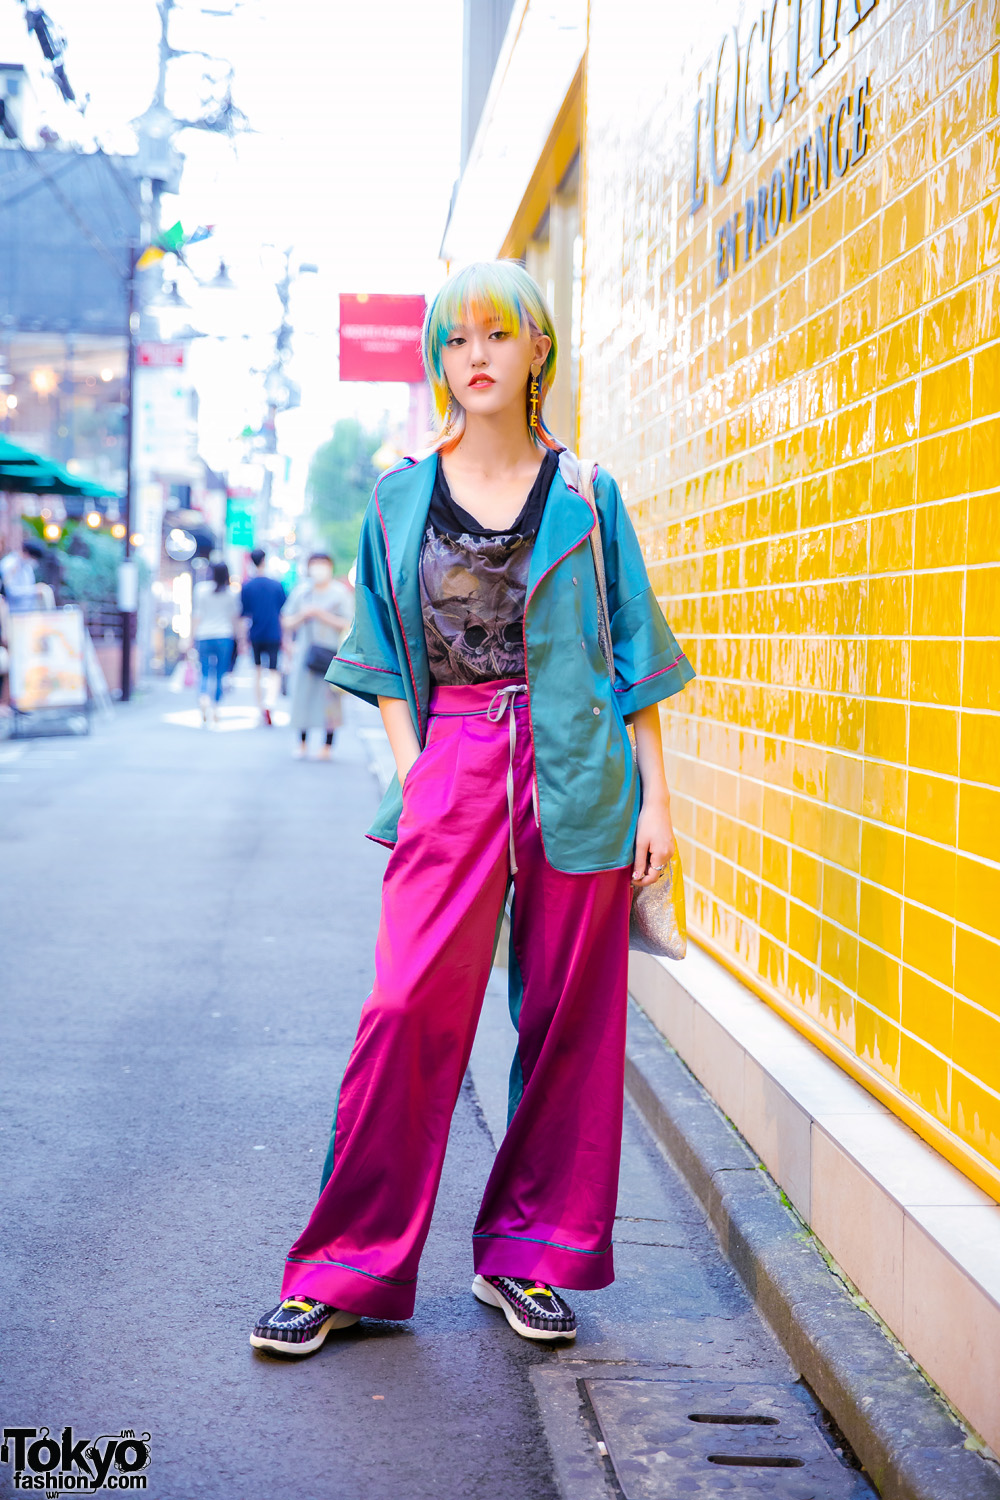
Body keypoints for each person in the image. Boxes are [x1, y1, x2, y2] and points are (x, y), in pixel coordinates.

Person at [251, 260, 694, 1358]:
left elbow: (631, 651)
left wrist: (656, 802)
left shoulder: (589, 492)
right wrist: (413, 770)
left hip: (579, 768)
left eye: (500, 335)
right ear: (439, 358)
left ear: (539, 349)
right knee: (404, 1009)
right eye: (456, 341)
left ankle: (527, 1257)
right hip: (452, 756)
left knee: (565, 1023)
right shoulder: (401, 493)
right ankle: (344, 1269)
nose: (477, 357)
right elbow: (381, 650)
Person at [282, 552, 353, 760]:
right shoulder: (301, 592)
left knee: (330, 699)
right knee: (302, 696)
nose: (319, 569)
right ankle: (302, 742)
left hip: (332, 653)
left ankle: (327, 745)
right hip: (304, 653)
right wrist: (303, 615)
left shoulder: (339, 593)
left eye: (323, 564)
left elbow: (349, 623)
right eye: (315, 565)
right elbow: (286, 621)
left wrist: (321, 614)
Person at [240, 547, 286, 725]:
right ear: (264, 561)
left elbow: (245, 615)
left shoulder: (247, 586)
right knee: (274, 670)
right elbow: (283, 613)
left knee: (258, 670)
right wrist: (287, 638)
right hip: (274, 633)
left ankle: (260, 707)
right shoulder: (277, 585)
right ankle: (270, 703)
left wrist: (243, 640)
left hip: (256, 634)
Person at [191, 560, 240, 725]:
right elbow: (235, 619)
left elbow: (197, 616)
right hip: (224, 636)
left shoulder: (201, 590)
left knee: (204, 671)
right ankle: (216, 707)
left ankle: (204, 698)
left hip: (203, 635)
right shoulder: (232, 593)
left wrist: (190, 638)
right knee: (220, 673)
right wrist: (240, 639)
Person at [0, 538, 45, 612]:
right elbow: (10, 591)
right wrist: (34, 590)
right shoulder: (9, 564)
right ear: (26, 553)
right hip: (13, 612)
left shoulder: (27, 566)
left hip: (27, 612)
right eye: (33, 558)